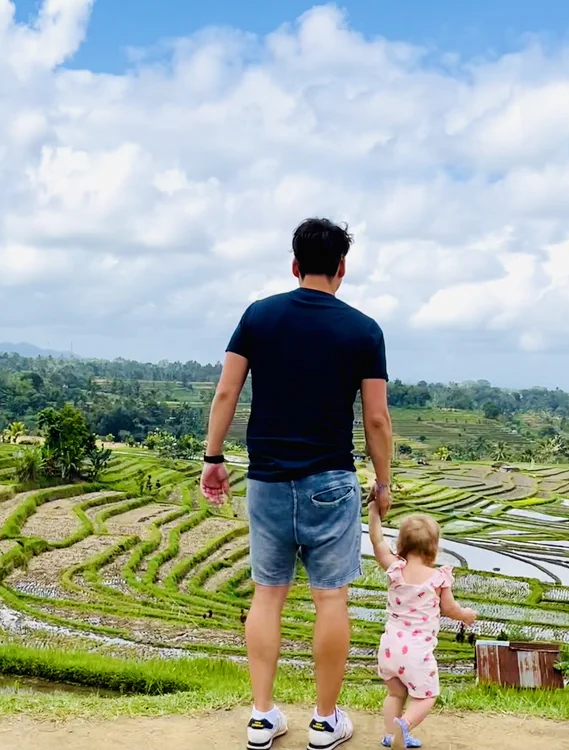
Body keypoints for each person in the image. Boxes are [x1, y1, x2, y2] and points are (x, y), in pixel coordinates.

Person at [200, 218, 393, 750]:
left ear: (293, 264)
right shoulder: (362, 329)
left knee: (268, 596)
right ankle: (325, 723)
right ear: (342, 268)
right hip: (331, 480)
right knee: (331, 599)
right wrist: (383, 481)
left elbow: (225, 394)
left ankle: (262, 717)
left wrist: (213, 458)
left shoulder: (258, 317)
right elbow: (376, 419)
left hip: (265, 479)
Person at [367, 500, 477, 749]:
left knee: (395, 693)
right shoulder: (439, 578)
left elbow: (377, 542)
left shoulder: (394, 568)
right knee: (427, 697)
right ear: (433, 548)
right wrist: (467, 615)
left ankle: (391, 735)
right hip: (416, 652)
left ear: (402, 545)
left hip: (389, 647)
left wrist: (374, 513)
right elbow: (450, 609)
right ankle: (404, 726)